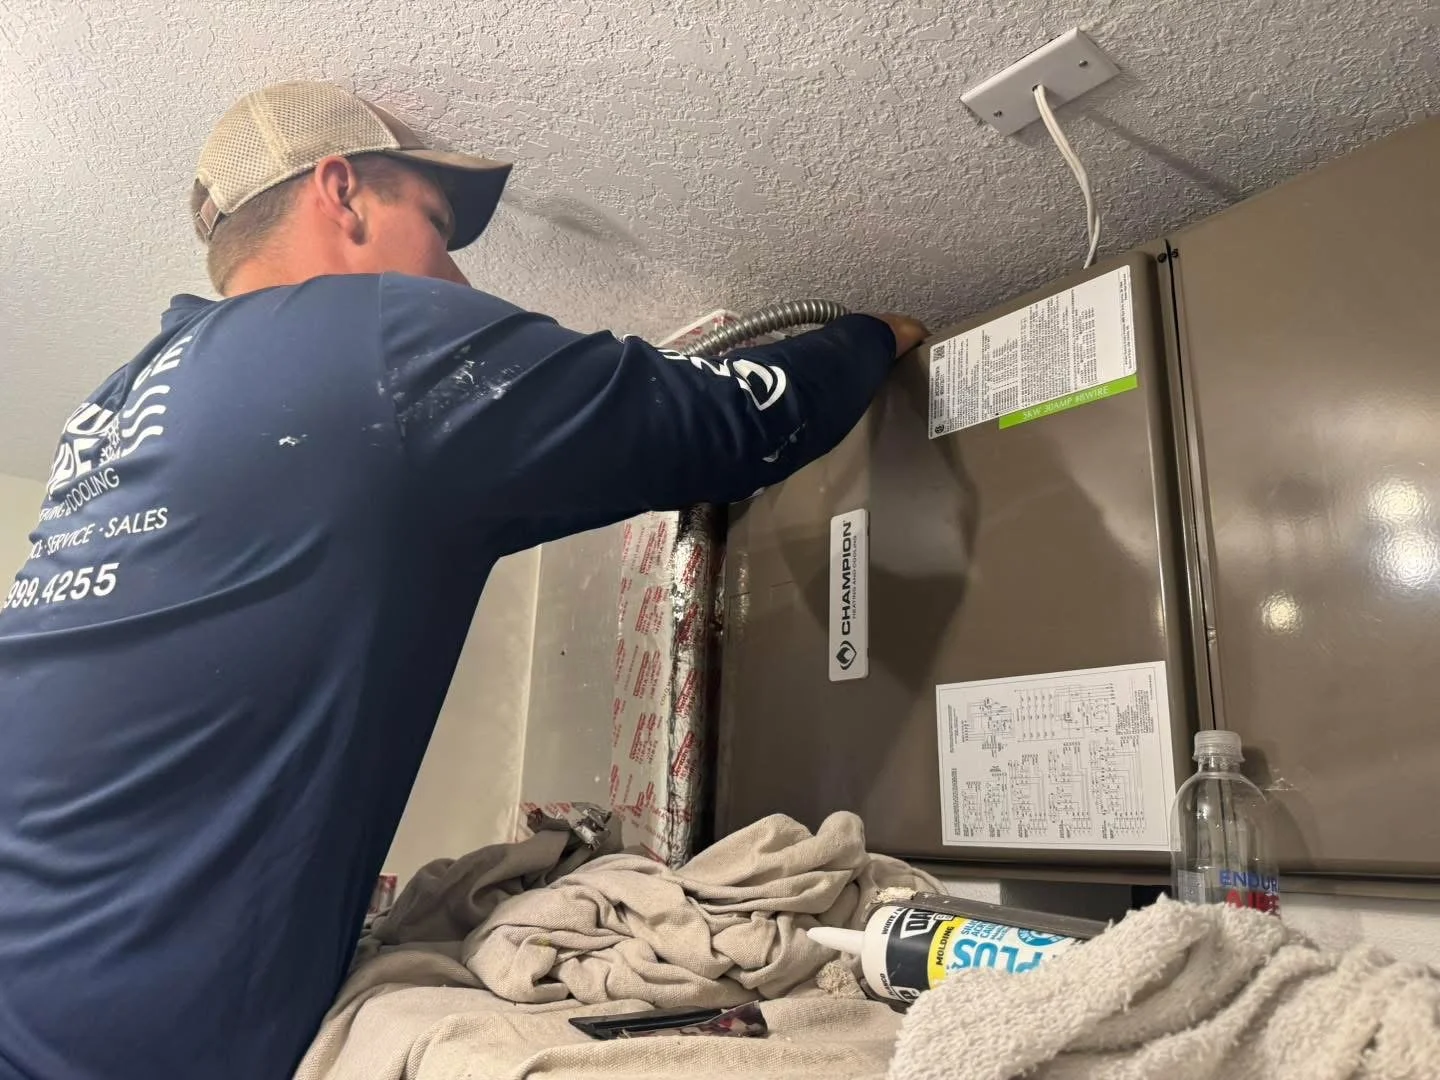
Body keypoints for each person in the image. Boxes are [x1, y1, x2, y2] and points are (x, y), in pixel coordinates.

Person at [0, 81, 927, 1080]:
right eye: (438, 227)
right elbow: (728, 423)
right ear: (341, 191)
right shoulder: (372, 342)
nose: (450, 271)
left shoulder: (120, 404)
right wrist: (871, 336)